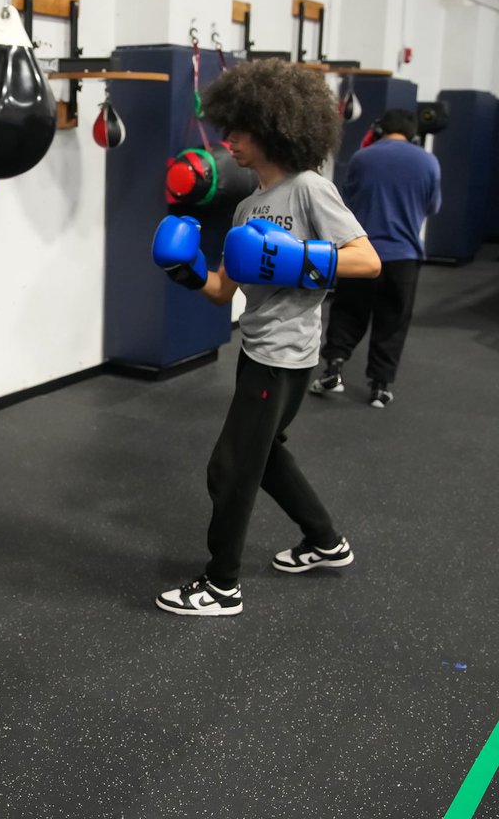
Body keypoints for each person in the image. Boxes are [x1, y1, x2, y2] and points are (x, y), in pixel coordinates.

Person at [149, 59, 382, 617]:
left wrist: (299, 259)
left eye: (240, 129)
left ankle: (220, 585)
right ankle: (326, 542)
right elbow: (221, 290)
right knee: (266, 456)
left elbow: (367, 261)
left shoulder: (310, 190)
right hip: (257, 350)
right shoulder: (246, 209)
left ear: (275, 127)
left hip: (286, 357)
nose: (228, 140)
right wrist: (185, 271)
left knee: (229, 467)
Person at [309, 108, 442, 408]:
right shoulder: (429, 162)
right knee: (392, 320)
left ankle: (334, 368)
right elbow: (432, 206)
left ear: (381, 130)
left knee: (347, 310)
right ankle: (380, 387)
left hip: (362, 252)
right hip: (403, 255)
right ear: (414, 134)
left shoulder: (362, 157)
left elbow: (348, 201)